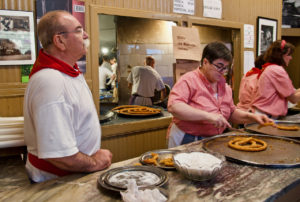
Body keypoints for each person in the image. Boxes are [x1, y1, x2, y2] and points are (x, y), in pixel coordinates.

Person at [23, 10, 112, 183]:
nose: (86, 35)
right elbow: (59, 155)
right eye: (78, 30)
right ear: (60, 41)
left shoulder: (68, 72)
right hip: (56, 183)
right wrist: (94, 162)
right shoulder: (51, 81)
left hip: (73, 174)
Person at [167, 41, 272, 148]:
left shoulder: (224, 86)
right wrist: (209, 116)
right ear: (205, 62)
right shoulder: (189, 80)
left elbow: (231, 113)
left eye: (226, 68)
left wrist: (253, 117)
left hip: (212, 139)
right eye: (219, 66)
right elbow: (174, 107)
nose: (222, 71)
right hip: (187, 138)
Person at [251, 40, 300, 118]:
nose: (291, 58)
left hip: (262, 113)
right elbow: (293, 98)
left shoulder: (271, 68)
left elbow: (292, 92)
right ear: (280, 55)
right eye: (289, 55)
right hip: (265, 116)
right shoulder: (277, 70)